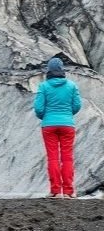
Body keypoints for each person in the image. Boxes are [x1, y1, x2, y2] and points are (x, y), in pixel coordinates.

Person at [34, 57, 81, 198]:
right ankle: (68, 192)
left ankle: (55, 191)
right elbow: (77, 105)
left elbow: (38, 108)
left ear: (49, 70)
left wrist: (46, 117)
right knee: (67, 158)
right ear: (62, 69)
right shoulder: (72, 86)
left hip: (49, 125)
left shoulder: (44, 86)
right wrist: (67, 115)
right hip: (67, 125)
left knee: (53, 158)